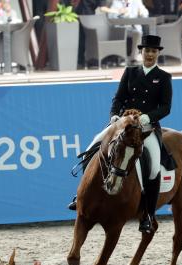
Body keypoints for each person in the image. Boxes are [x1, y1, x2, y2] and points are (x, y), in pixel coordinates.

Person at [69, 35, 172, 234]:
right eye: (146, 51)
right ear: (141, 52)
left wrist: (147, 118)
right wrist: (115, 116)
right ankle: (79, 197)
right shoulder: (130, 72)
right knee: (92, 147)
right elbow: (118, 98)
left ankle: (148, 215)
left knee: (153, 168)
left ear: (157, 53)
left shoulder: (164, 77)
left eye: (153, 51)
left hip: (147, 128)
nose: (149, 54)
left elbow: (166, 107)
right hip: (122, 124)